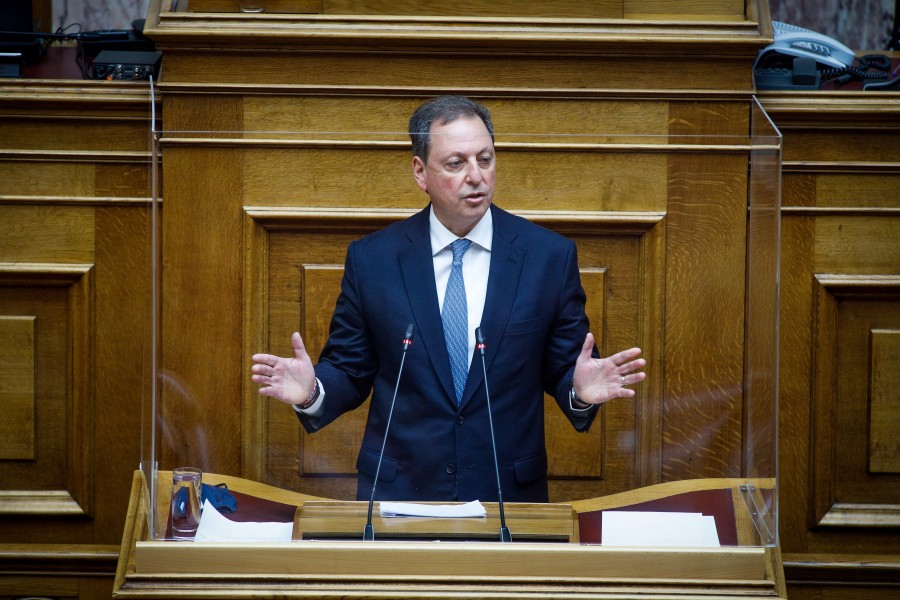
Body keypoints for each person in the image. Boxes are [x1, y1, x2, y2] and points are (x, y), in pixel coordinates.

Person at [251, 95, 645, 503]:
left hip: (507, 497)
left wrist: (580, 392)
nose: (476, 176)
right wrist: (311, 391)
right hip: (400, 494)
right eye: (456, 163)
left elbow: (566, 368)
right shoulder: (374, 260)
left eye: (485, 159)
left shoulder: (548, 257)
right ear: (420, 172)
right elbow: (350, 369)